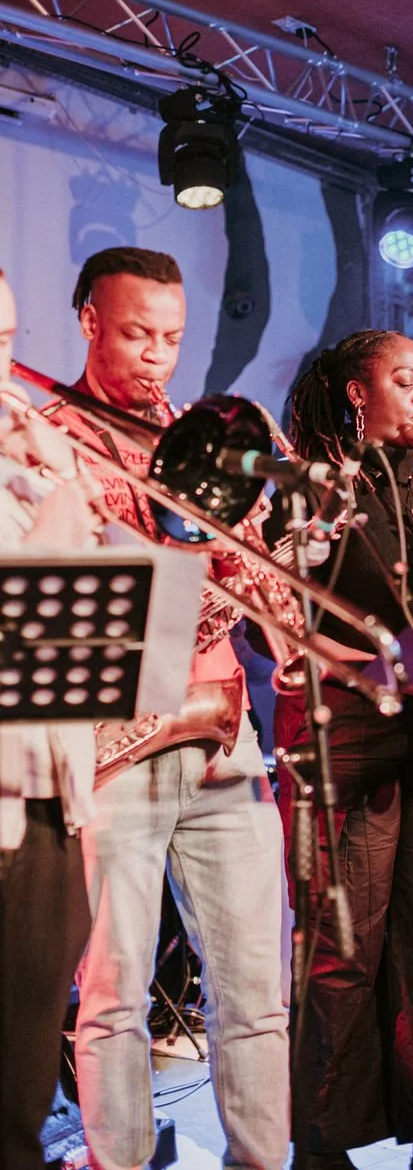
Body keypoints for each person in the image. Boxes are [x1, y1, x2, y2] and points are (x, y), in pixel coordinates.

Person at [59, 247, 289, 1170]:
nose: (157, 356)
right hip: (114, 738)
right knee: (113, 996)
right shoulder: (50, 439)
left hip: (221, 731)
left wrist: (257, 560)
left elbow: (254, 588)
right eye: (136, 334)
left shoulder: (202, 437)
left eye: (173, 337)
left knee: (257, 992)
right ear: (89, 321)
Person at [265, 330, 413, 1168]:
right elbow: (277, 621)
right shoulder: (313, 489)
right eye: (405, 379)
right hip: (347, 734)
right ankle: (322, 1144)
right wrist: (379, 666)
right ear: (359, 393)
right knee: (342, 945)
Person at [0, 269, 99, 1170]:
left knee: (26, 1054)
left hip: (45, 789)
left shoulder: (26, 465)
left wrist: (58, 476)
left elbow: (90, 618)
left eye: (4, 340)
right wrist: (57, 493)